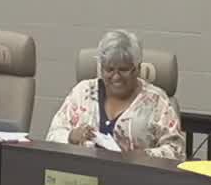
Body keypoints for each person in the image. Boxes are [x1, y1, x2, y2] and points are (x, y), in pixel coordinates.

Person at [45, 30, 184, 159]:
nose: (116, 77)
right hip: (82, 173)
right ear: (101, 68)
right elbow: (52, 136)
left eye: (123, 70)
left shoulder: (156, 101)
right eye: (109, 69)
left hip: (136, 175)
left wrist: (142, 156)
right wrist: (71, 137)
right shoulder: (82, 92)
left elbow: (176, 151)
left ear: (137, 68)